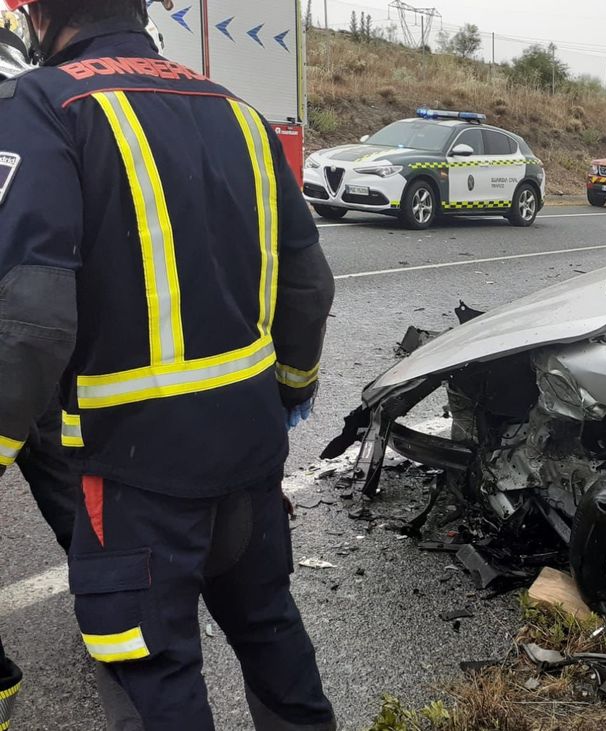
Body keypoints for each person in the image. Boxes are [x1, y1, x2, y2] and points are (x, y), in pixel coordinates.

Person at [0, 1, 336, 729]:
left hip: (134, 483)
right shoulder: (239, 111)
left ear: (41, 18)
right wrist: (292, 387)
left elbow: (31, 322)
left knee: (156, 685)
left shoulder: (45, 104)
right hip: (250, 465)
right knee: (276, 646)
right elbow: (308, 287)